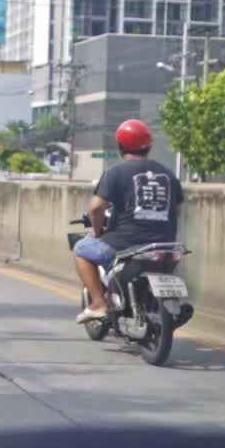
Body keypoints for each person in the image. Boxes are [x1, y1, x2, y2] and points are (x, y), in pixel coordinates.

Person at [72, 119, 185, 324]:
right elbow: (177, 211)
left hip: (125, 245)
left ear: (121, 146)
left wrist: (97, 231)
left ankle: (98, 303)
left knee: (81, 248)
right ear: (149, 146)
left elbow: (96, 208)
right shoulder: (169, 175)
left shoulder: (114, 173)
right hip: (164, 245)